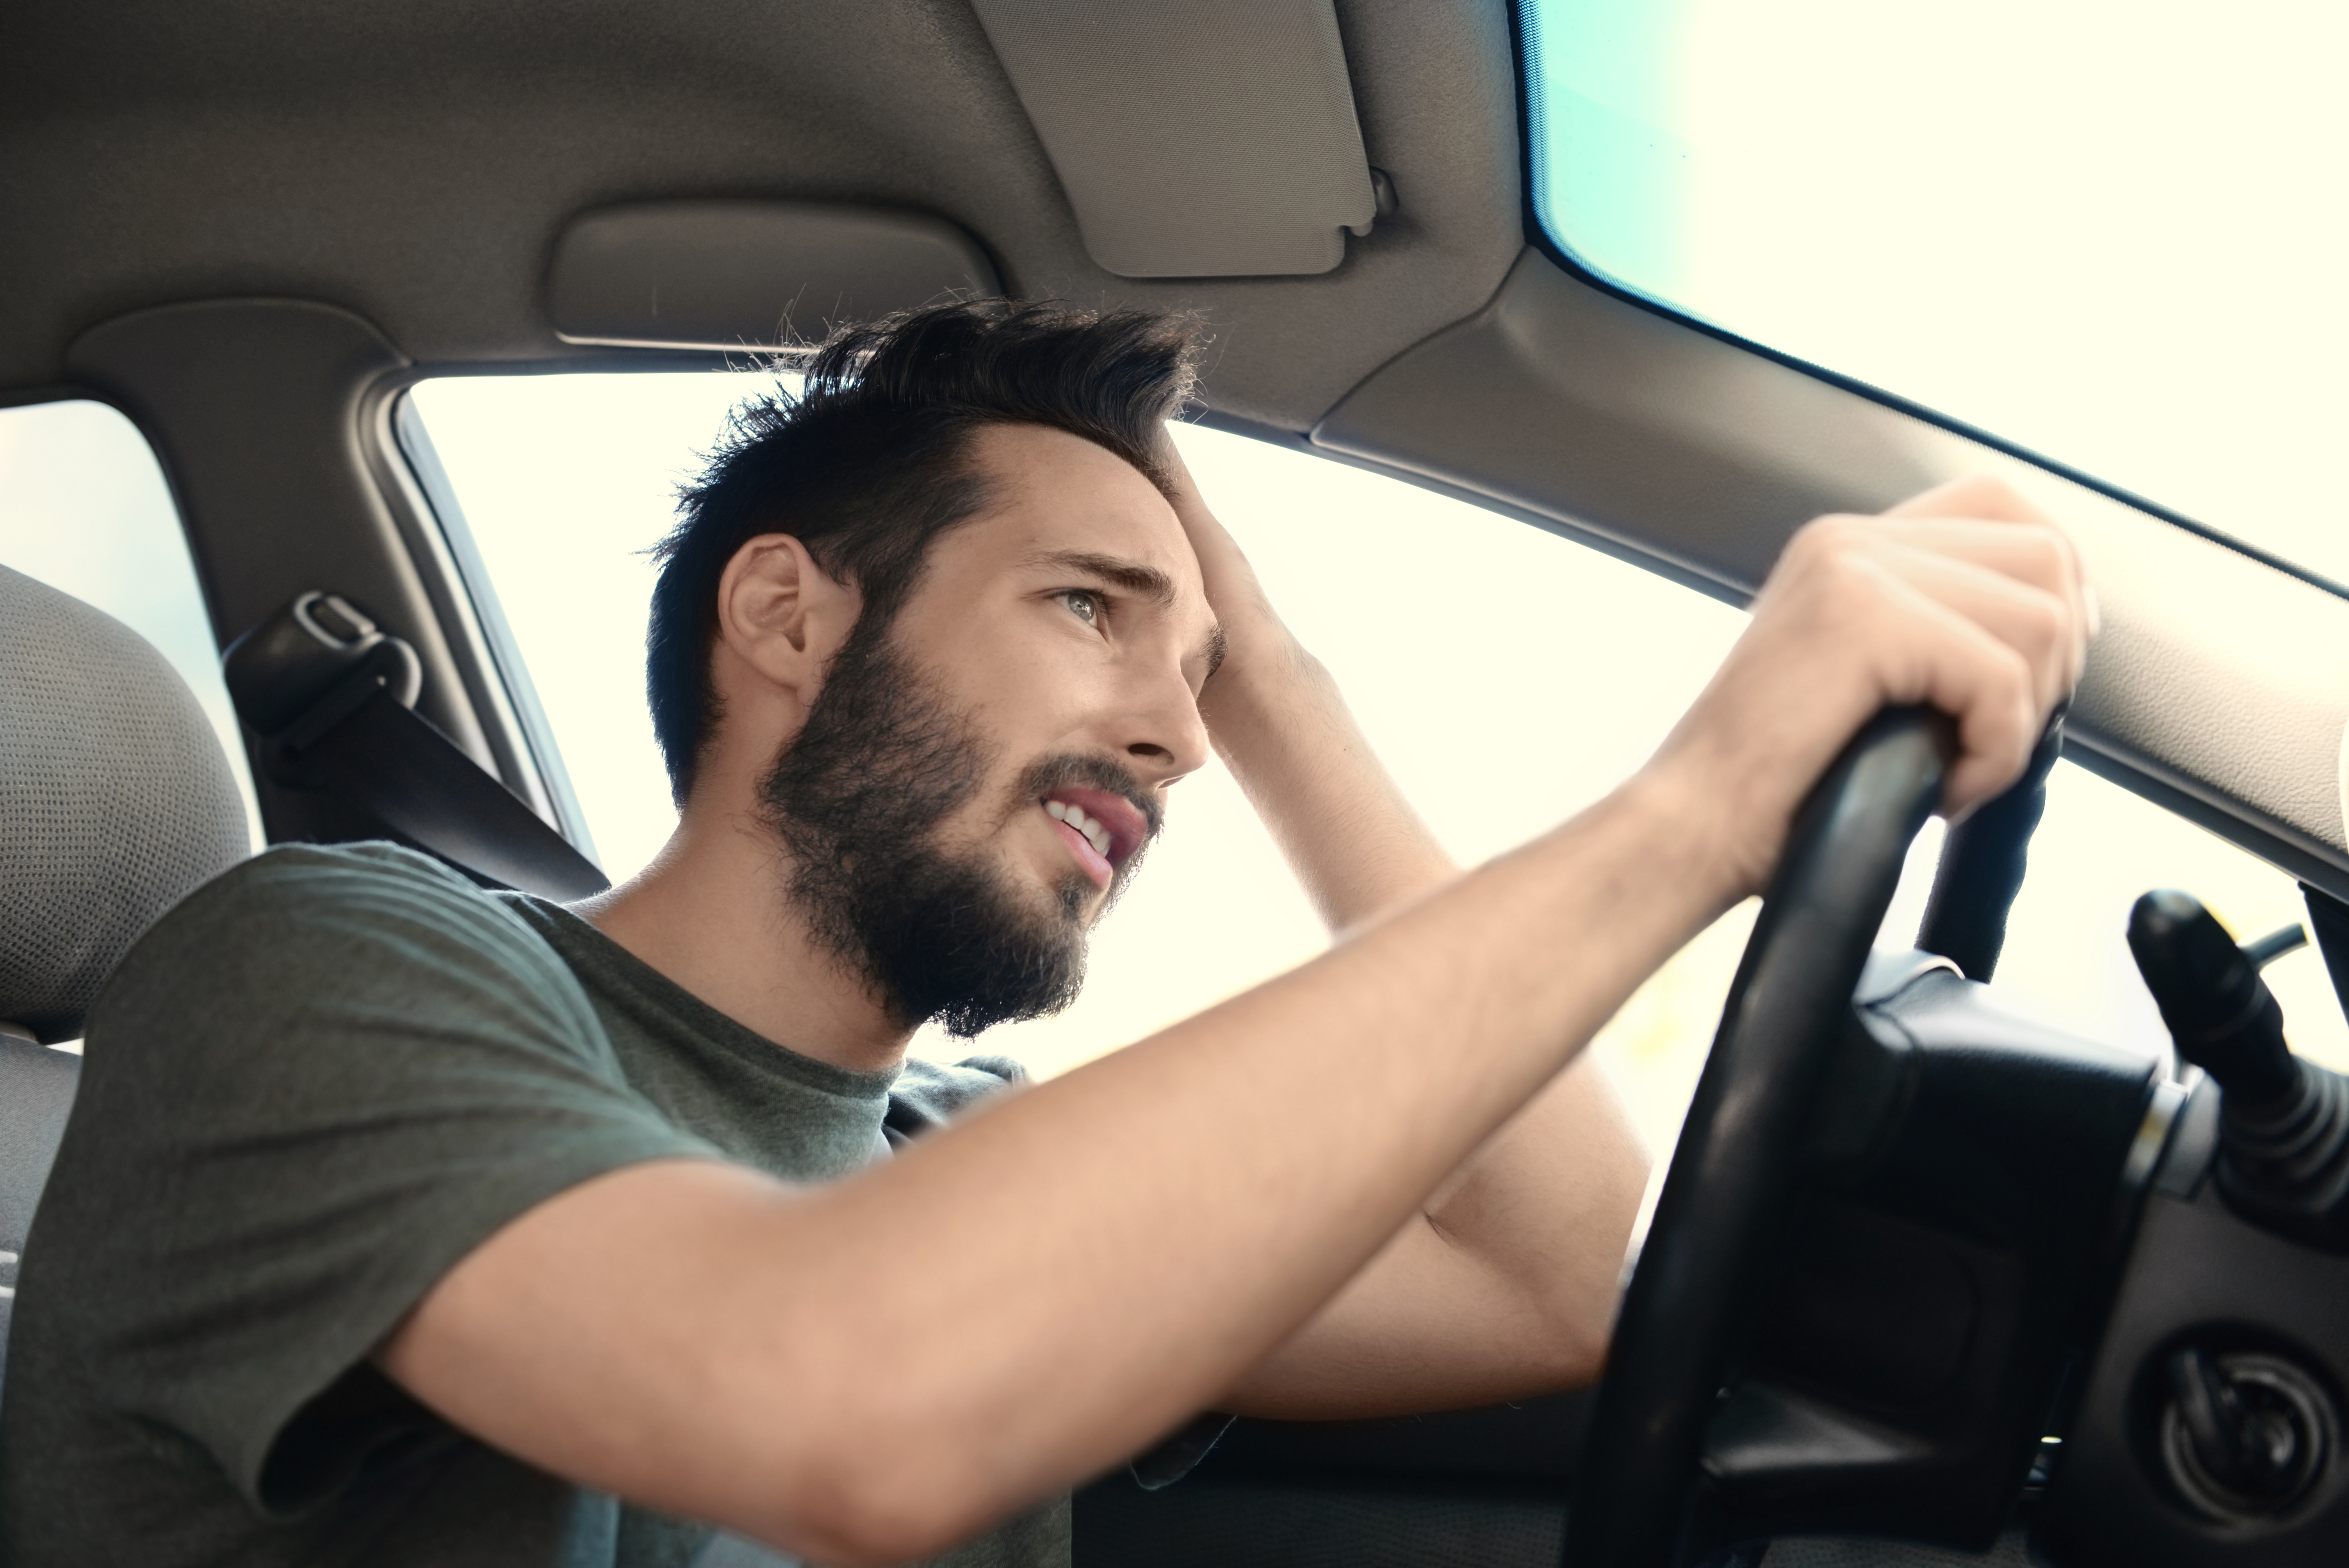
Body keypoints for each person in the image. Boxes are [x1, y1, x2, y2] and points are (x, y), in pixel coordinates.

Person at [0, 301, 2091, 1568]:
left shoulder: (944, 1167)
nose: (1172, 736)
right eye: (1087, 607)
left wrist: (1265, 668)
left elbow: (1553, 1279)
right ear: (789, 617)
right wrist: (1696, 812)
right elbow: (849, 1392)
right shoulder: (314, 977)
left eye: (1198, 676)